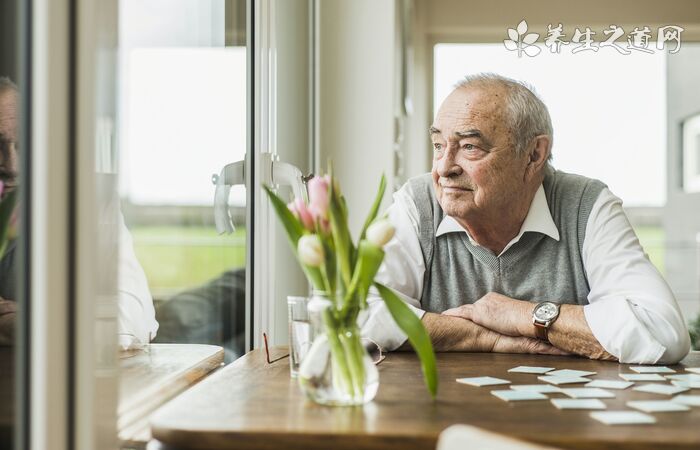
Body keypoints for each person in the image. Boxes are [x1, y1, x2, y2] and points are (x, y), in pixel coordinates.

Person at [362, 73, 690, 364]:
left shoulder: (586, 205)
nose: (444, 168)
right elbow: (363, 313)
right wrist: (489, 337)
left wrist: (521, 315)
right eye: (438, 145)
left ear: (534, 155)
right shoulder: (417, 203)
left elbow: (662, 331)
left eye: (470, 147)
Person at [0, 76, 158, 348]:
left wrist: (29, 323)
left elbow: (129, 323)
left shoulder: (88, 202)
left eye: (22, 145)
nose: (12, 166)